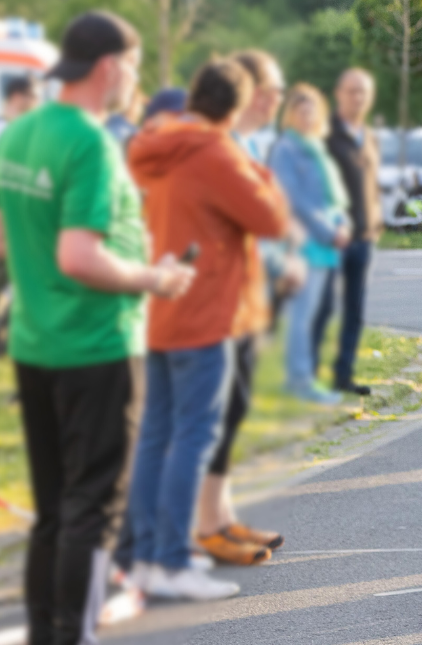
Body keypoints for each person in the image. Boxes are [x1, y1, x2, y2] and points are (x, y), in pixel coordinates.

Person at [0, 11, 196, 645]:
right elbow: (79, 255)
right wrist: (152, 280)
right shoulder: (91, 142)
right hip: (95, 345)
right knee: (92, 509)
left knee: (52, 510)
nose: (134, 77)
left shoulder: (20, 133)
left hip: (34, 340)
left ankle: (48, 633)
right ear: (109, 67)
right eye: (132, 63)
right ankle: (73, 635)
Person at [123, 58, 291, 599]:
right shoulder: (217, 152)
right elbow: (270, 218)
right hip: (208, 310)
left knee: (155, 437)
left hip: (162, 302)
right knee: (193, 438)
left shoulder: (153, 144)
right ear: (236, 107)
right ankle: (173, 560)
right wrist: (257, 169)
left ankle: (147, 554)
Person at [196, 48, 294, 565]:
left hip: (246, 297)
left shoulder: (248, 144)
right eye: (274, 90)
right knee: (212, 414)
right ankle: (205, 525)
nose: (278, 100)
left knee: (229, 412)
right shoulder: (224, 146)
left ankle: (220, 516)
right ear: (252, 94)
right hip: (220, 302)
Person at [267, 85, 351, 405]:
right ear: (291, 114)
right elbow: (295, 199)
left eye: (313, 110)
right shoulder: (286, 149)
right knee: (301, 315)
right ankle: (299, 380)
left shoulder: (315, 147)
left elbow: (334, 195)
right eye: (302, 111)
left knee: (314, 313)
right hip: (304, 242)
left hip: (325, 241)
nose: (308, 116)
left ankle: (303, 375)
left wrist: (341, 223)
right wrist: (329, 231)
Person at [312, 68, 383, 397]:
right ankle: (310, 378)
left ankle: (343, 374)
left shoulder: (365, 136)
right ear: (339, 94)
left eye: (363, 92)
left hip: (363, 237)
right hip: (333, 237)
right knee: (323, 306)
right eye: (352, 91)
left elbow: (369, 183)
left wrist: (376, 218)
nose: (358, 98)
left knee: (354, 311)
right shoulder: (325, 136)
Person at [0, 75, 41, 356]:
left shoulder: (17, 127)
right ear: (18, 96)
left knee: (15, 275)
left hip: (14, 205)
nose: (37, 102)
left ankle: (2, 336)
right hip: (2, 208)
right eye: (34, 96)